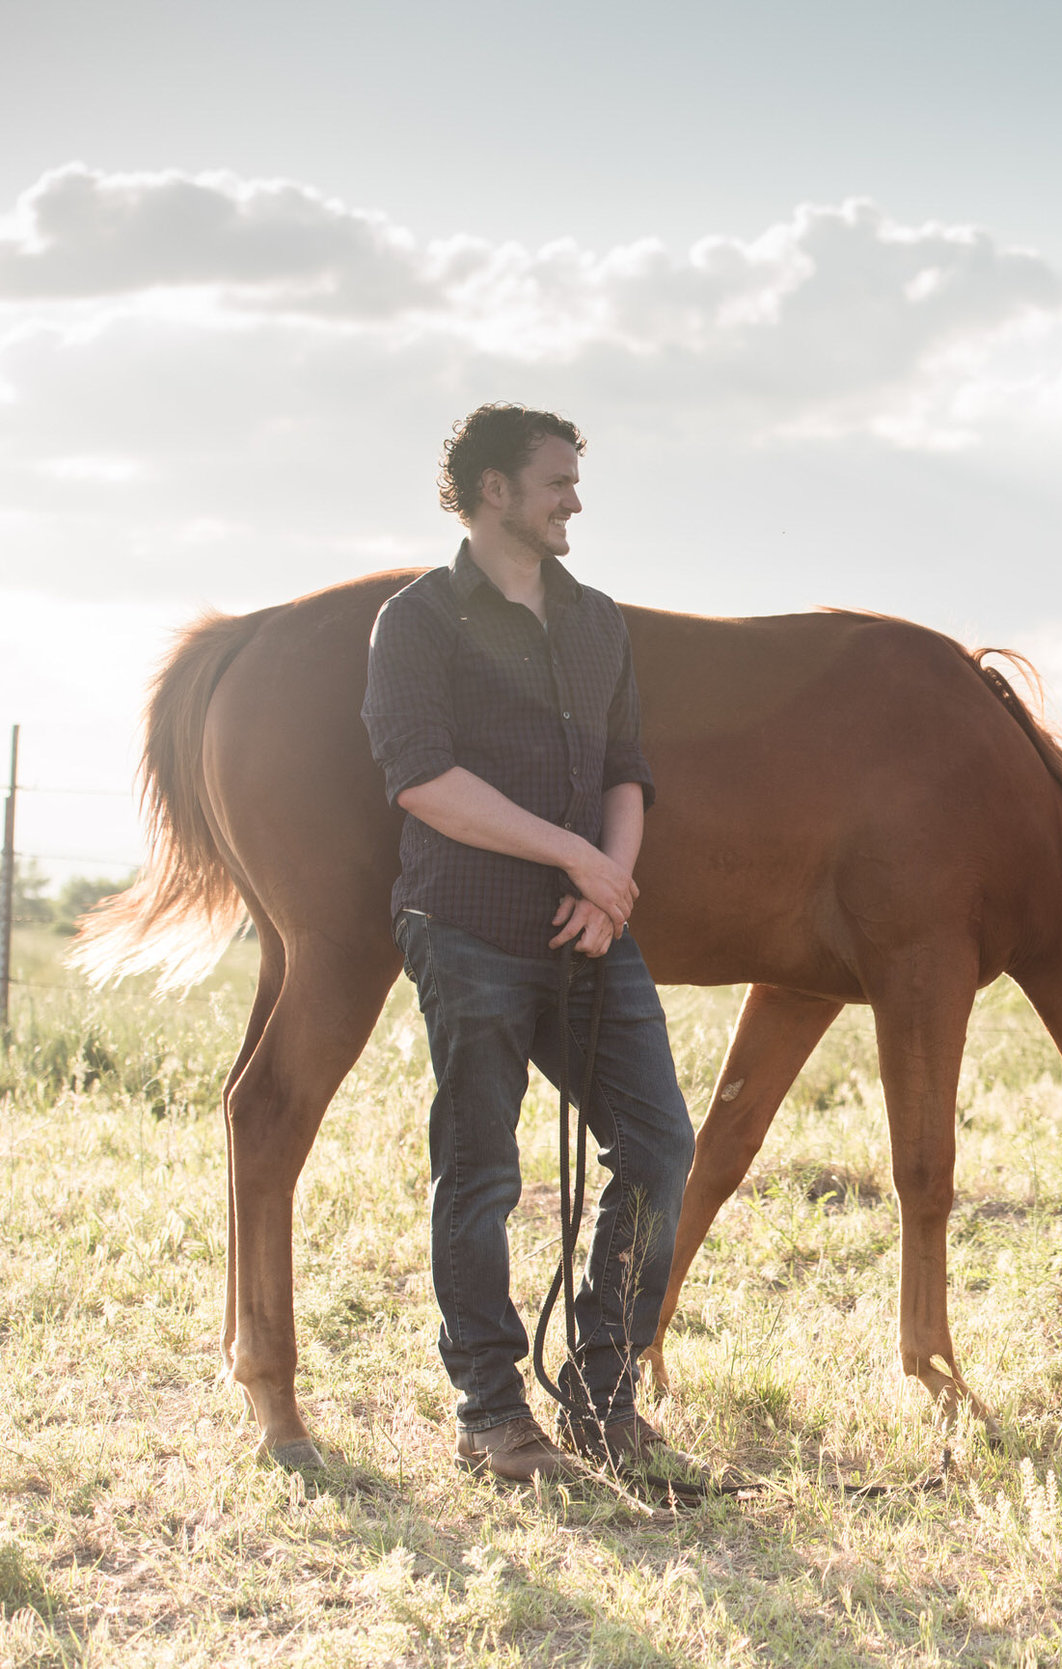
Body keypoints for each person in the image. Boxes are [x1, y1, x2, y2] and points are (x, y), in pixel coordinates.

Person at [362, 404, 699, 1486]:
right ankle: (492, 1418)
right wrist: (578, 857)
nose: (575, 501)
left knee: (657, 1146)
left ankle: (603, 1394)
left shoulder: (594, 619)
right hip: (466, 929)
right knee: (481, 1174)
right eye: (556, 482)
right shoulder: (417, 621)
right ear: (494, 490)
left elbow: (626, 769)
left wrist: (609, 885)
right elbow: (421, 778)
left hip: (591, 936)